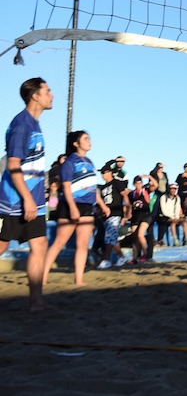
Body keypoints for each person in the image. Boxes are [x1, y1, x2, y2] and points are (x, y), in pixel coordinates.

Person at [0, 77, 53, 310]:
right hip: (14, 200)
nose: (51, 95)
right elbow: (13, 165)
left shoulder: (35, 123)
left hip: (35, 200)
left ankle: (36, 303)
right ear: (35, 96)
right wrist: (27, 198)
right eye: (48, 91)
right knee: (2, 246)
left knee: (39, 246)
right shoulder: (22, 125)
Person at [43, 131, 108, 287]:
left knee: (83, 244)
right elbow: (65, 187)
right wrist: (72, 208)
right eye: (85, 139)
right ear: (75, 143)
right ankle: (42, 277)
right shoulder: (70, 162)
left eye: (89, 138)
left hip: (87, 206)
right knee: (59, 242)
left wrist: (102, 204)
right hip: (71, 205)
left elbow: (93, 187)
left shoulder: (90, 162)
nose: (89, 141)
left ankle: (78, 279)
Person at [97, 163, 131, 268]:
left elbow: (125, 196)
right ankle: (121, 257)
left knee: (109, 237)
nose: (102, 175)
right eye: (101, 173)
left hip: (116, 213)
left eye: (104, 173)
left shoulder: (117, 183)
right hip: (106, 215)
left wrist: (127, 212)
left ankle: (106, 260)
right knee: (112, 238)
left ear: (109, 172)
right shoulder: (103, 187)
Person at [128, 175, 151, 263]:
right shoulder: (131, 194)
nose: (138, 184)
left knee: (140, 234)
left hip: (145, 215)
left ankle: (146, 254)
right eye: (137, 183)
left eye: (140, 183)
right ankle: (135, 257)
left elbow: (155, 185)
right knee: (135, 237)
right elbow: (129, 205)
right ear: (134, 184)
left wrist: (149, 176)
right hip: (135, 216)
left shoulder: (145, 191)